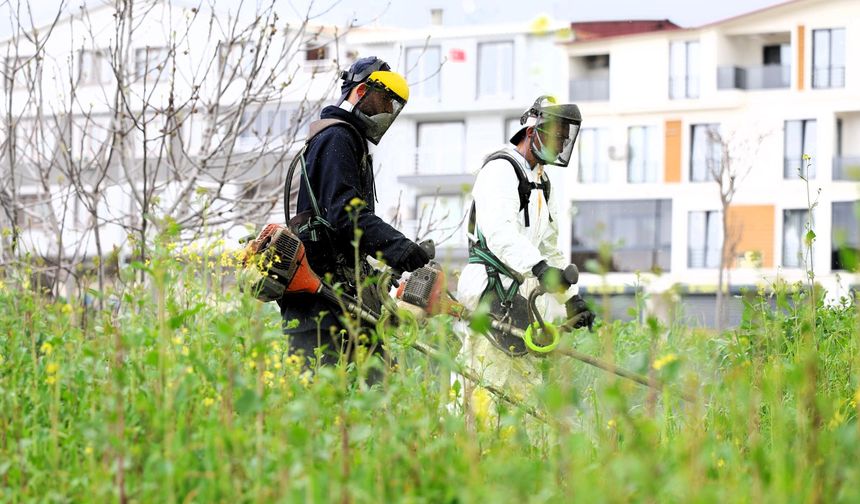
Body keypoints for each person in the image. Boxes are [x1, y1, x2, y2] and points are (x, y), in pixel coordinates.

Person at [279, 56, 430, 371]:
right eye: (385, 98)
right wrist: (398, 248)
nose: (389, 110)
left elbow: (342, 229)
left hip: (337, 300)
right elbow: (345, 214)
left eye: (394, 103)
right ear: (361, 91)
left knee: (373, 389)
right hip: (324, 306)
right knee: (337, 403)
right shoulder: (337, 137)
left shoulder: (345, 139)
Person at [456, 95, 596, 416]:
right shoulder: (501, 171)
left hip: (520, 299)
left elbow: (550, 247)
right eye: (555, 136)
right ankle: (469, 450)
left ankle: (520, 455)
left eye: (564, 139)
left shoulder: (542, 183)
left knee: (526, 394)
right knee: (483, 386)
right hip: (491, 292)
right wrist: (540, 268)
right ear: (533, 130)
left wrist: (571, 298)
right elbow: (501, 234)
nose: (560, 145)